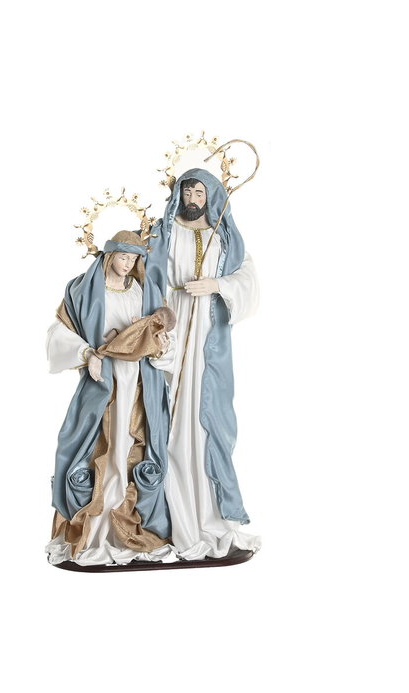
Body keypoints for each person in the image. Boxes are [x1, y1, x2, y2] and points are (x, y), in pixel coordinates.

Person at [144, 168, 261, 560]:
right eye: (187, 191)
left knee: (205, 417)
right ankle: (164, 514)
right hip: (171, 326)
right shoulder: (163, 233)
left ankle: (208, 512)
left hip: (209, 335)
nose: (193, 199)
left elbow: (249, 281)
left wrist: (217, 286)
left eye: (200, 193)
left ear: (211, 197)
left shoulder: (225, 237)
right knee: (165, 413)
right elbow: (142, 277)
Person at [46, 230, 176, 566]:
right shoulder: (84, 291)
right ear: (109, 256)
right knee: (98, 444)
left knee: (132, 446)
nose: (128, 264)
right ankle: (96, 527)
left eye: (134, 258)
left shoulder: (143, 291)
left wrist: (157, 343)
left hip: (140, 383)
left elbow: (163, 337)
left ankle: (126, 524)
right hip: (104, 380)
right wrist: (87, 353)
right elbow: (58, 332)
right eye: (123, 257)